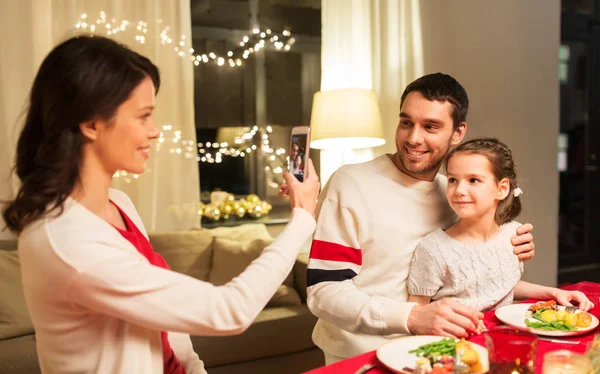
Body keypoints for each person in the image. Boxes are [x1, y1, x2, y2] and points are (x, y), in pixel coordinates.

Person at [1, 35, 320, 374]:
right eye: (143, 116)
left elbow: (167, 332)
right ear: (91, 123)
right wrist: (301, 217)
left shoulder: (119, 205)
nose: (154, 131)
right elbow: (229, 310)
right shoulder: (65, 240)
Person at [305, 73, 535, 364]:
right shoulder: (350, 183)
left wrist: (512, 243)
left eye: (430, 126)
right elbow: (324, 290)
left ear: (458, 133)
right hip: (359, 354)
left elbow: (469, 264)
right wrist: (411, 317)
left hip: (435, 353)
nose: (414, 138)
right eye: (406, 122)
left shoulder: (451, 193)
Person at [407, 138, 593, 331]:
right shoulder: (433, 249)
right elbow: (418, 316)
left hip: (504, 338)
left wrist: (553, 293)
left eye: (473, 180)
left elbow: (500, 286)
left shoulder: (513, 235)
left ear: (502, 189)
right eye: (453, 180)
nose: (459, 190)